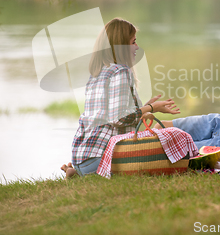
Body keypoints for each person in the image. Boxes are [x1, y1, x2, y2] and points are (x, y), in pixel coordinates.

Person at [61, 18, 180, 178]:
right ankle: (90, 173)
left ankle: (78, 173)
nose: (137, 47)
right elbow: (120, 118)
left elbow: (114, 118)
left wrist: (144, 107)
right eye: (133, 42)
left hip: (82, 157)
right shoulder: (120, 71)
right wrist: (153, 108)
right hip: (101, 157)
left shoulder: (98, 73)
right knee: (171, 149)